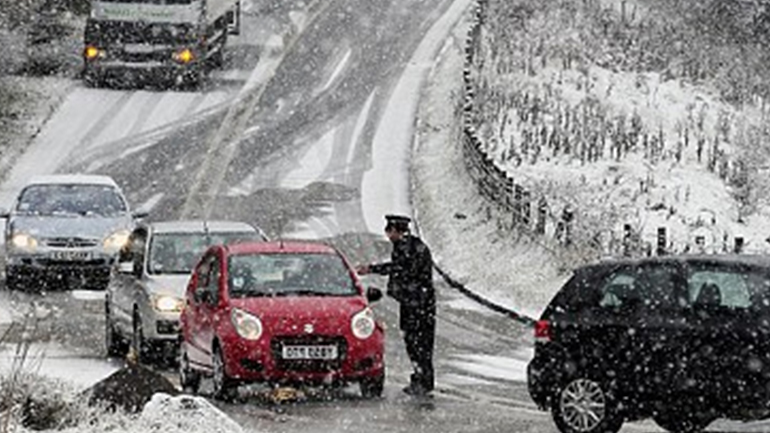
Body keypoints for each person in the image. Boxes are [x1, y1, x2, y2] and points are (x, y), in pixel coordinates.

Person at [357, 214, 436, 396]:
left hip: (416, 303)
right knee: (419, 343)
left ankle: (423, 381)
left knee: (416, 343)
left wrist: (372, 269)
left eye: (389, 231)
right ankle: (422, 379)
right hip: (419, 302)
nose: (387, 235)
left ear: (394, 231)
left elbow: (399, 268)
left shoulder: (407, 248)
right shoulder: (412, 245)